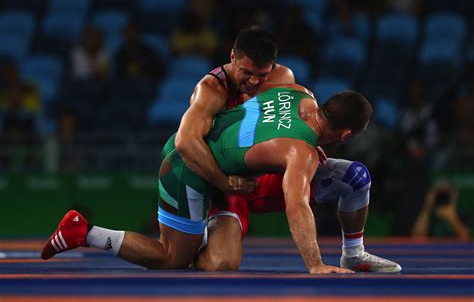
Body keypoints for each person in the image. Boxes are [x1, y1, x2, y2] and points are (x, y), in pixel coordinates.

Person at [41, 84, 370, 274]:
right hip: (190, 172)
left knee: (222, 265)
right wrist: (314, 264)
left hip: (223, 177)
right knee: (171, 259)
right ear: (343, 134)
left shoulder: (297, 92)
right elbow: (296, 206)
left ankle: (200, 235)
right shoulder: (302, 153)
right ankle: (84, 232)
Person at [172, 26, 400, 272]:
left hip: (263, 177)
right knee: (222, 264)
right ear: (233, 59)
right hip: (224, 182)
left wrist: (307, 145)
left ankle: (354, 254)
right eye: (247, 73)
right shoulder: (210, 91)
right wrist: (224, 181)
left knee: (355, 177)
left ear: (272, 67)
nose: (254, 82)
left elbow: (283, 125)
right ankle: (194, 244)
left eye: (261, 75)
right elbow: (186, 143)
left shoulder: (287, 84)